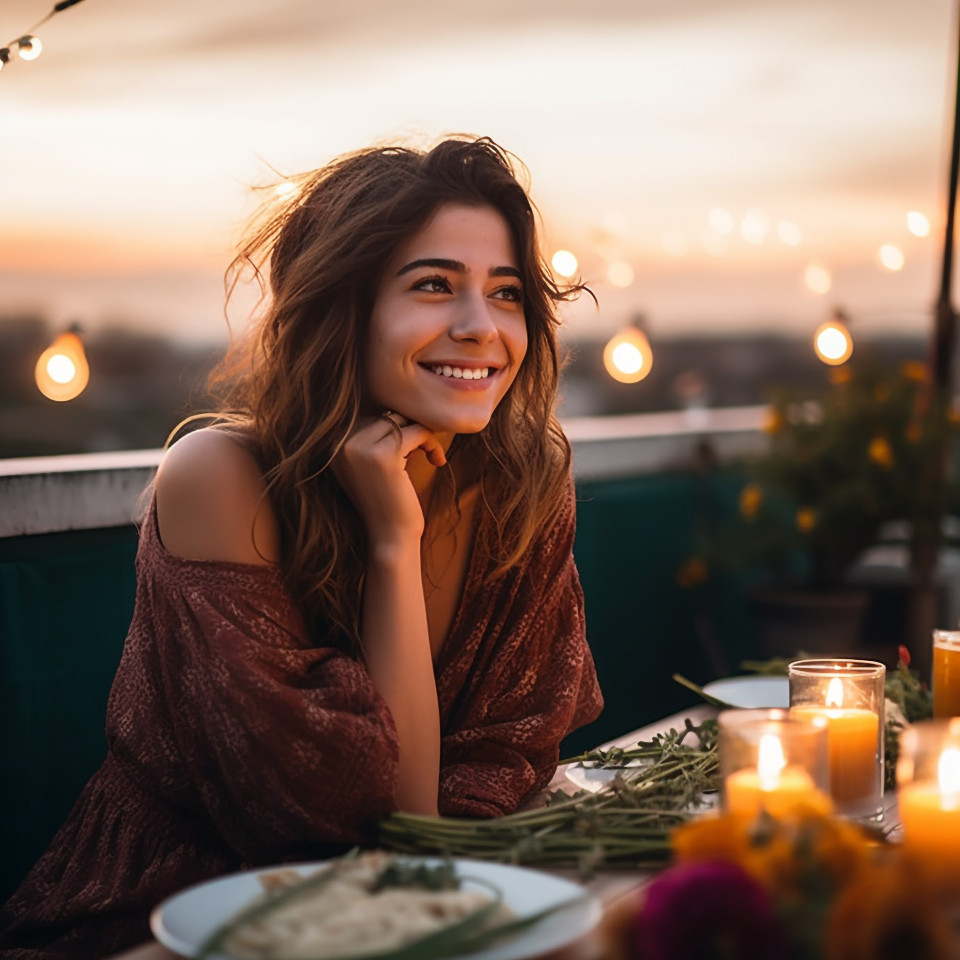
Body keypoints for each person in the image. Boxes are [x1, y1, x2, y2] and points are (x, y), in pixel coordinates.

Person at [0, 136, 603, 958]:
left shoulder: (521, 486)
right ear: (342, 307)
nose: (480, 328)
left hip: (427, 913)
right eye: (434, 285)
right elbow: (367, 821)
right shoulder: (219, 478)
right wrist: (393, 542)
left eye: (506, 294)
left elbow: (487, 778)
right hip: (169, 921)